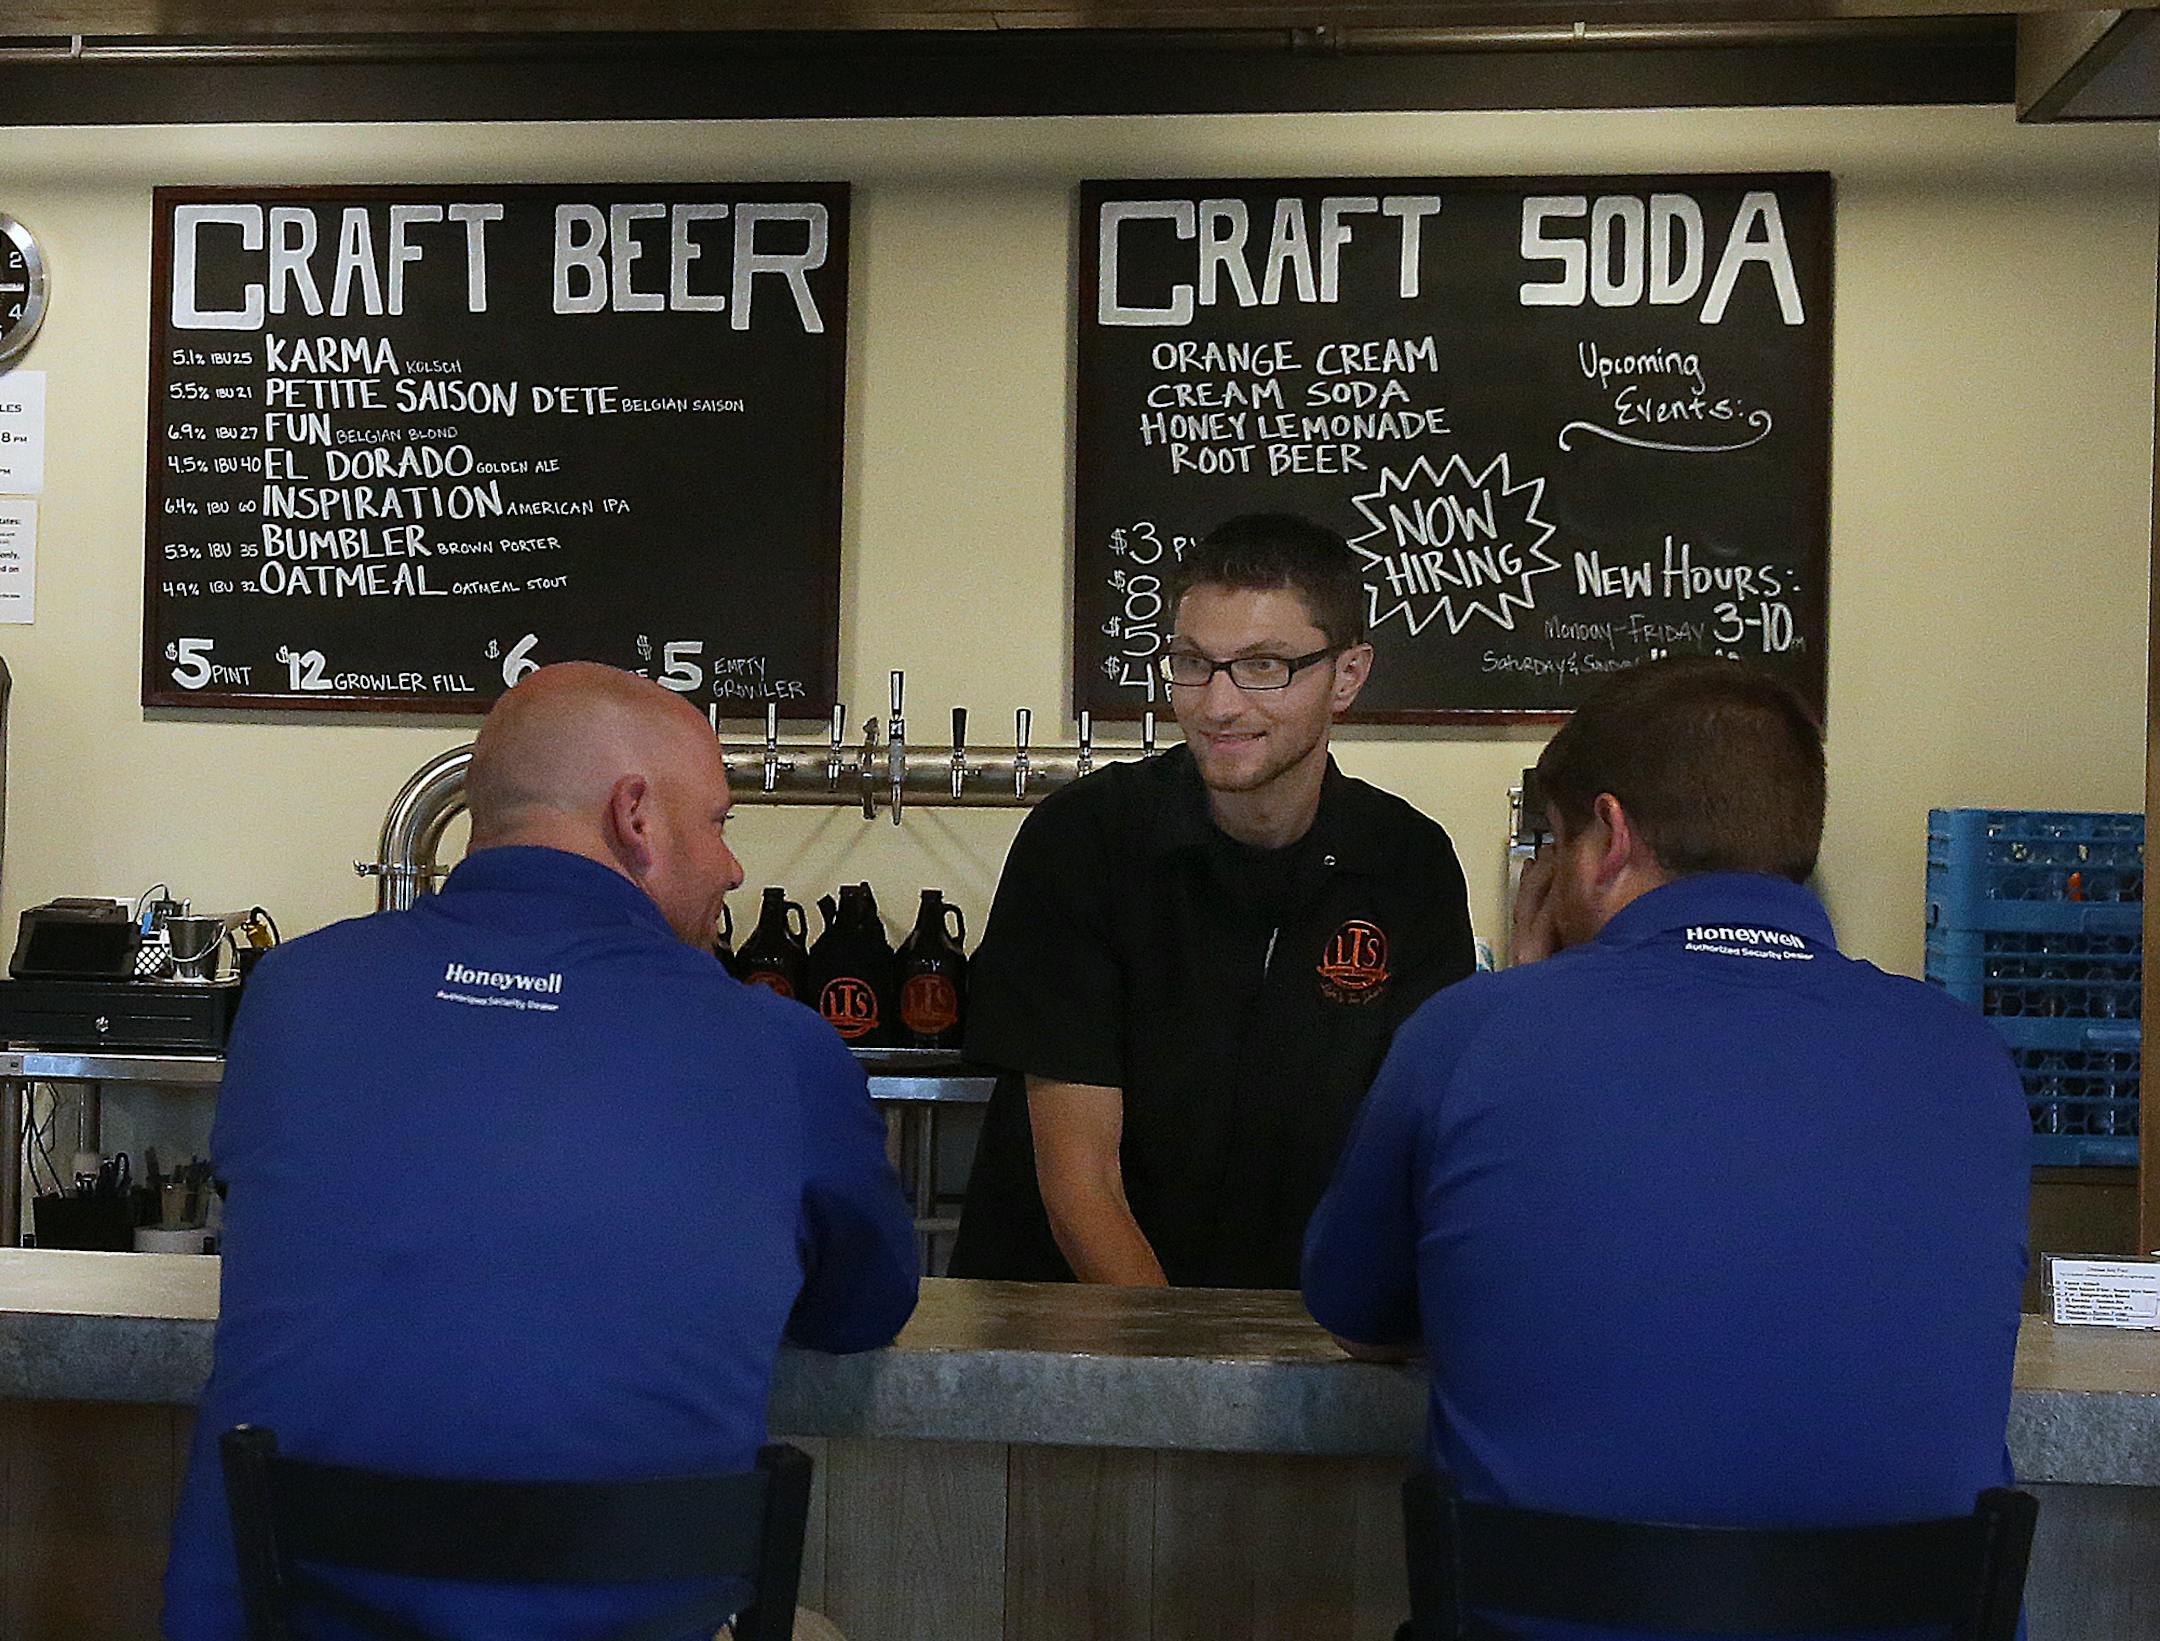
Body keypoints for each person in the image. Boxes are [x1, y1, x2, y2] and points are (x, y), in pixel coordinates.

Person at [164, 662, 918, 1641]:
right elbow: (862, 1310)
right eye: (721, 822)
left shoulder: (295, 995)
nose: (732, 869)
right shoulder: (779, 1048)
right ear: (637, 816)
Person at [1302, 656, 2030, 1638]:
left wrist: (1522, 994)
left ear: (1609, 839)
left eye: (1555, 844)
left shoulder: (1470, 1036)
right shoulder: (1966, 1054)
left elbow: (1360, 1315)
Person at [949, 513, 1477, 1288]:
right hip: (1069, 1342)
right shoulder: (1084, 840)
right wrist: (1187, 1385)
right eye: (1194, 663)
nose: (1217, 704)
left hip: (1297, 1341)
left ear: (1349, 674)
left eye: (1263, 666)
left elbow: (1412, 1151)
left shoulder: (1406, 862)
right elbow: (1080, 1187)